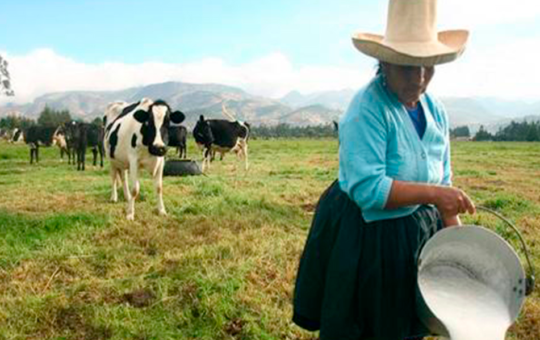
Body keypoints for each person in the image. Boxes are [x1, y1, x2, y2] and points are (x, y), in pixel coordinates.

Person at [292, 0, 476, 339]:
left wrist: (459, 249)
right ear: (384, 63)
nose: (419, 78)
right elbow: (369, 190)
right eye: (408, 67)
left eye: (428, 67)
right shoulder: (368, 108)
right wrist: (435, 194)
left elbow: (444, 180)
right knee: (370, 324)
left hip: (417, 233)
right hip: (370, 238)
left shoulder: (435, 110)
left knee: (408, 322)